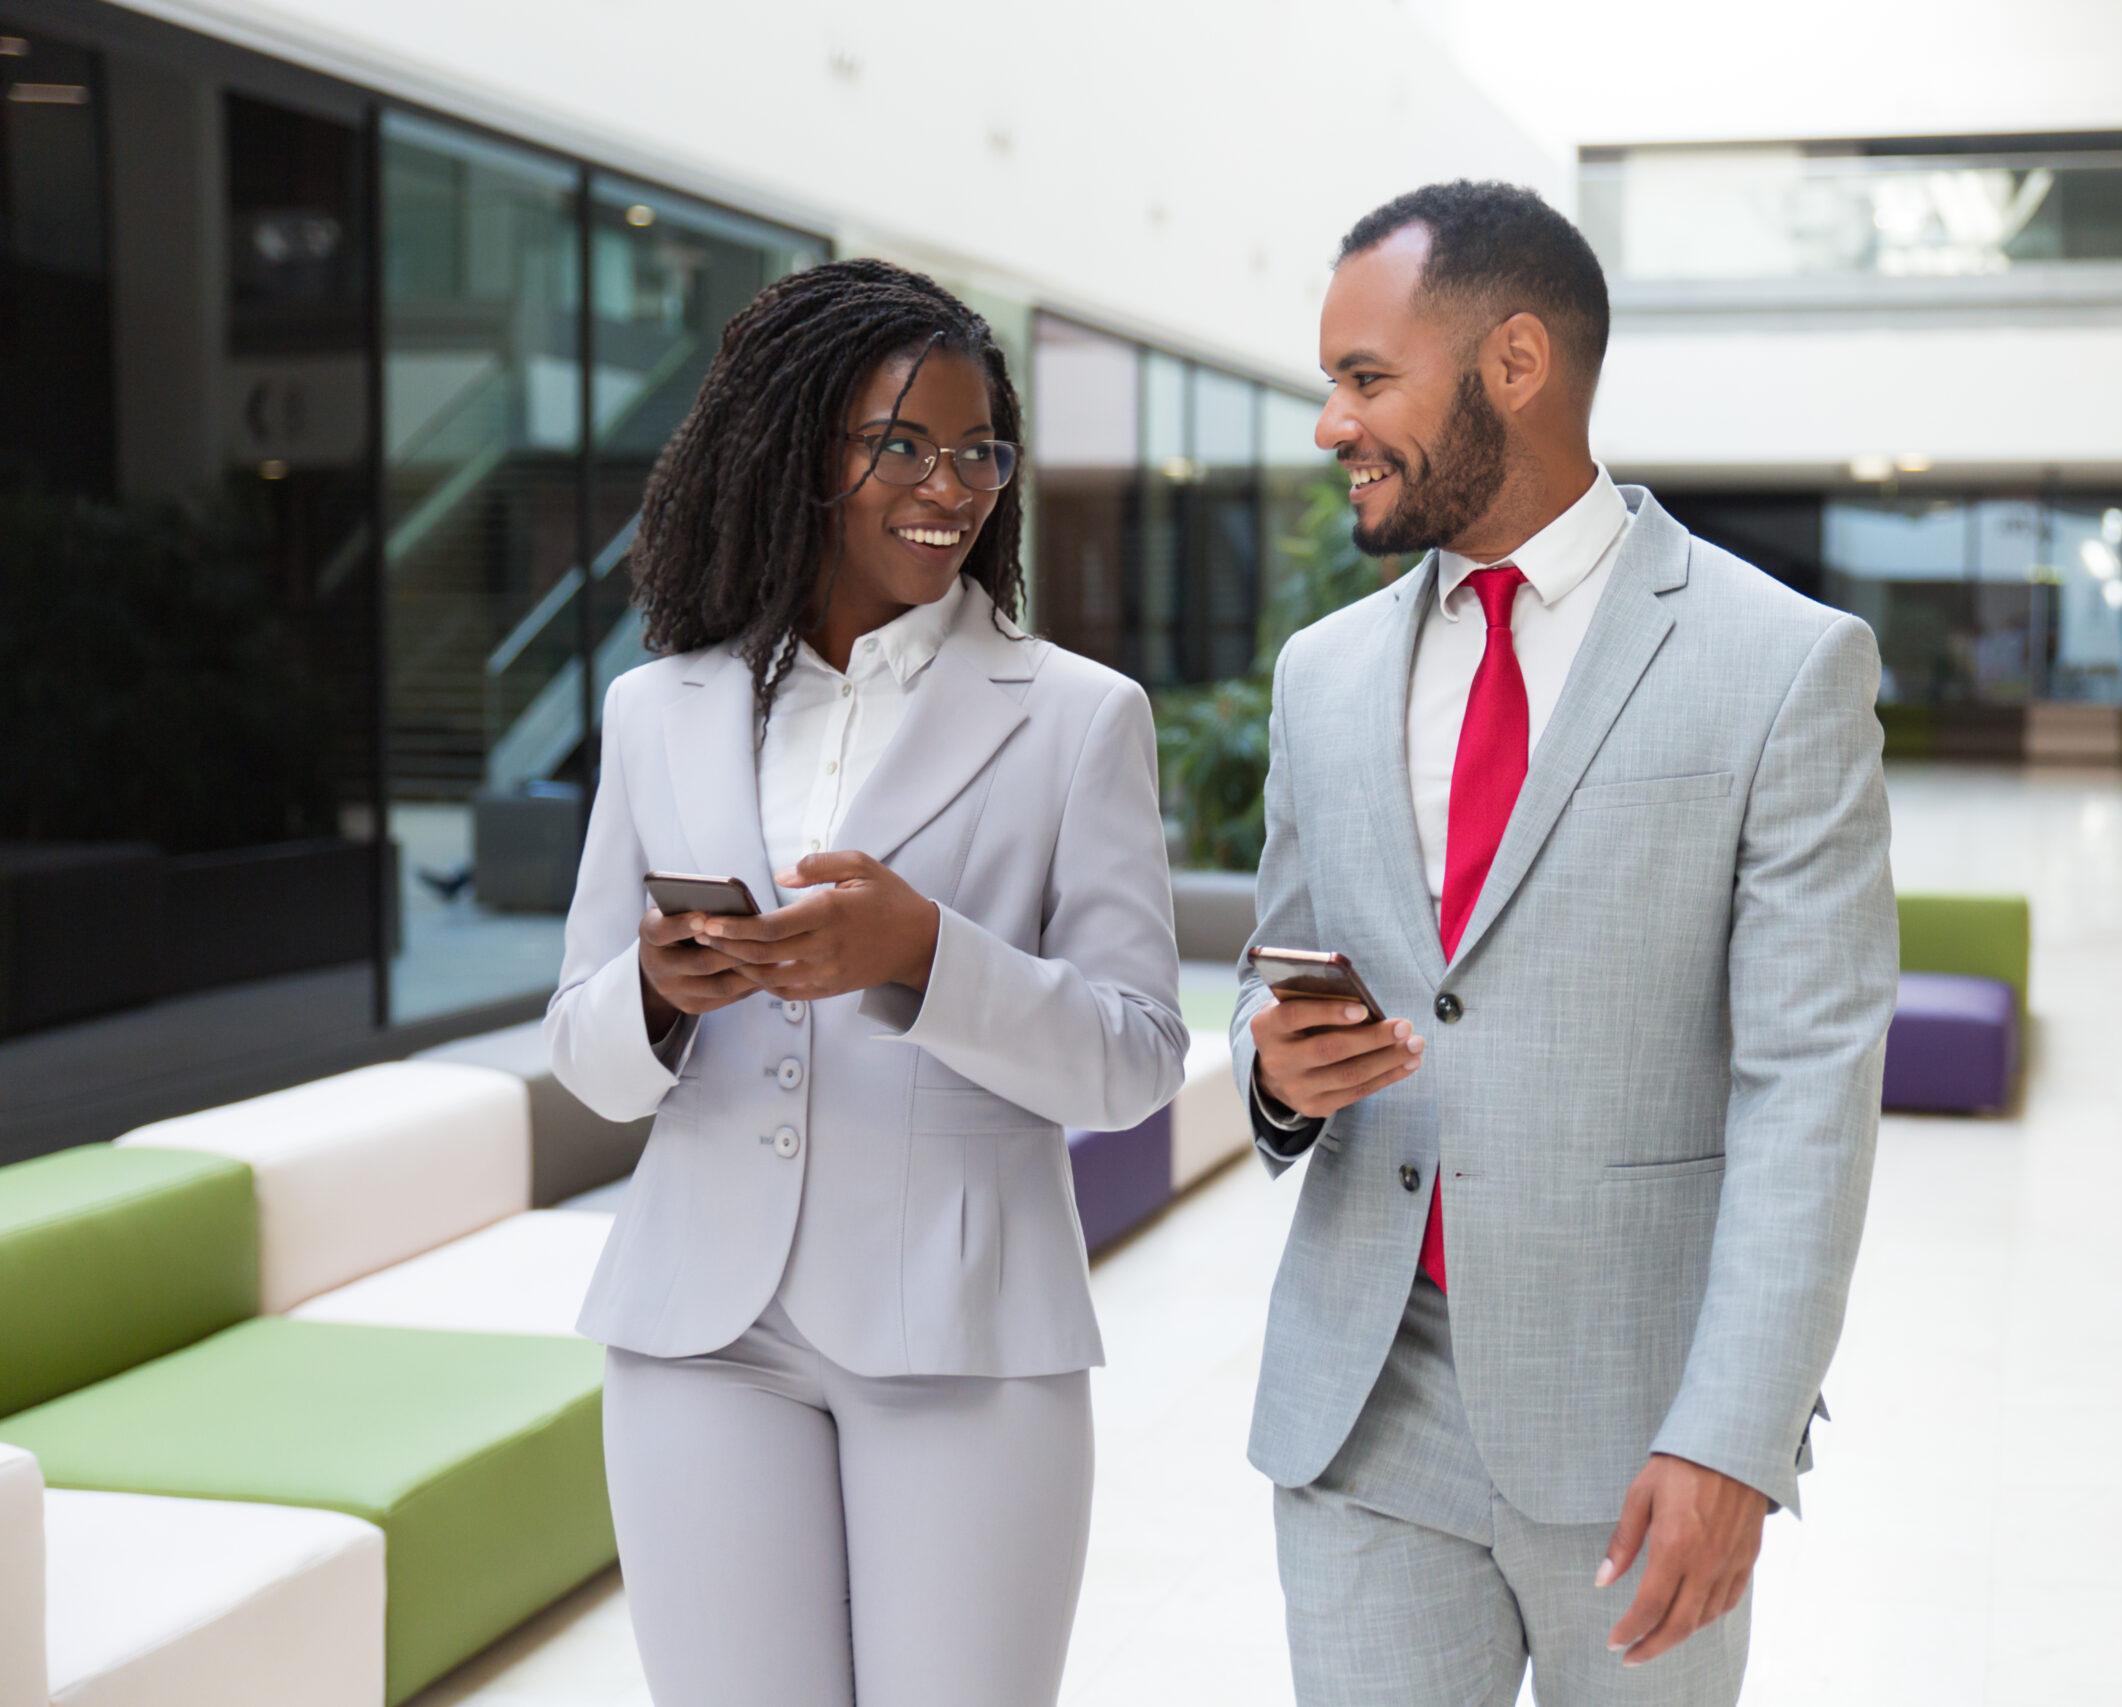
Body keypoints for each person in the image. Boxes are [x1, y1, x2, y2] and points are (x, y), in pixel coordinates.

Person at [1234, 182, 1896, 1707]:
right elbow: (1275, 976)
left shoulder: (1781, 665)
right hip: (1360, 1403)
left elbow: (1807, 1090)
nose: (1333, 425)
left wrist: (1733, 1434)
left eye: (1365, 378)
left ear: (1514, 362)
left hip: (1640, 1424)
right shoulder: (1320, 677)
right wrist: (1278, 1076)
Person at [545, 259, 1188, 1707]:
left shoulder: (1079, 719)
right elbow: (584, 1051)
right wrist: (657, 991)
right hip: (698, 1333)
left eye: (976, 451)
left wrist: (926, 958)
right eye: (898, 443)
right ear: (793, 453)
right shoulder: (659, 709)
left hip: (960, 1335)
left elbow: (1142, 1057)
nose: (947, 485)